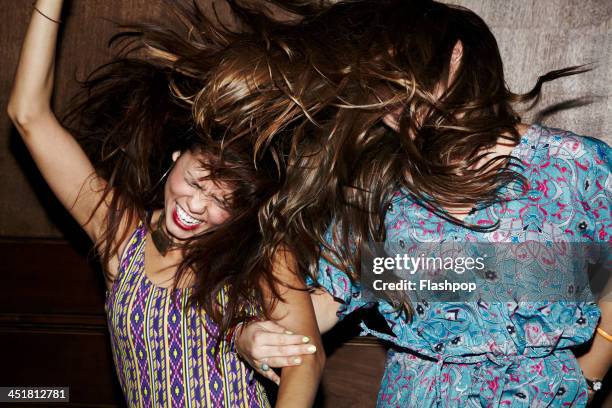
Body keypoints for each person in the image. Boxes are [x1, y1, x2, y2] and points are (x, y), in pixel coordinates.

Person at [229, 0, 612, 406]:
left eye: (395, 76)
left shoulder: (572, 165)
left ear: (455, 56)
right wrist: (253, 335)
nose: (386, 100)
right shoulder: (380, 188)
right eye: (376, 83)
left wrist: (589, 375)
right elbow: (327, 303)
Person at [7, 0, 324, 406]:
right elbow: (28, 115)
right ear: (177, 158)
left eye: (220, 201)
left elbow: (305, 359)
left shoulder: (258, 249)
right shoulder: (122, 235)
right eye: (195, 181)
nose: (195, 205)